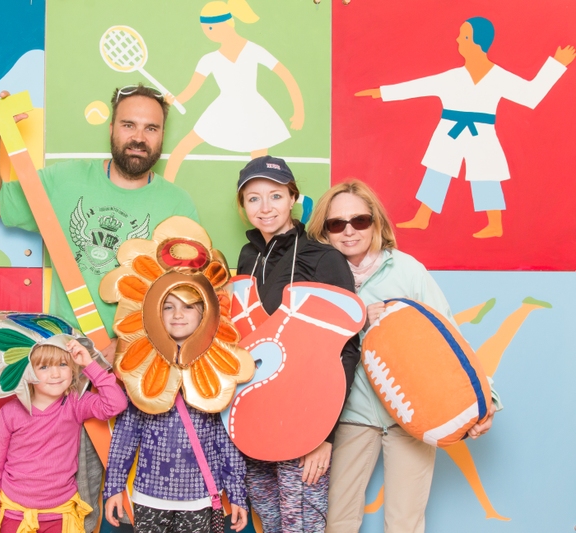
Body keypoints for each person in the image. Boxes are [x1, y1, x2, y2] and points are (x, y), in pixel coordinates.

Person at [0, 84, 199, 531]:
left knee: (145, 499)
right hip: (71, 373)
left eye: (151, 128)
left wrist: (125, 343)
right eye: (129, 124)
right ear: (112, 127)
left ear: (162, 136)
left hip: (144, 369)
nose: (139, 137)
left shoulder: (178, 206)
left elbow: (186, 298)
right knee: (78, 496)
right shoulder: (63, 182)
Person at [306, 180, 500, 533]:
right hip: (350, 415)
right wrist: (359, 318)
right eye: (337, 224)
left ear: (375, 223)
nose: (349, 231)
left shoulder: (407, 270)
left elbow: (450, 339)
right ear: (324, 231)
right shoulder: (320, 279)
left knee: (405, 524)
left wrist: (486, 401)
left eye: (359, 220)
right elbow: (310, 347)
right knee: (337, 522)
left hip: (413, 417)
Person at [357, 17, 575, 238]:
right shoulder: (453, 77)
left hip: (481, 131)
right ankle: (422, 217)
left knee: (485, 173)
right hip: (450, 129)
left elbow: (530, 95)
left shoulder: (498, 77)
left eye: (464, 36)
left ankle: (494, 224)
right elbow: (419, 86)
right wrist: (381, 92)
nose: (458, 40)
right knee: (437, 170)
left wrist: (557, 64)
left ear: (476, 41)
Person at [234, 156, 359, 532]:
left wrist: (324, 434)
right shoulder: (247, 257)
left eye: (275, 195)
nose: (265, 207)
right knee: (270, 519)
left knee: (300, 523)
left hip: (304, 420)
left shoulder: (323, 257)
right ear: (243, 206)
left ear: (293, 198)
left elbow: (346, 351)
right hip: (253, 419)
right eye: (253, 198)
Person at [103, 286, 249, 533]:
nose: (177, 314)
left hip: (201, 495)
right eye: (168, 306)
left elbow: (226, 438)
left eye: (188, 306)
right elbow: (126, 432)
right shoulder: (143, 365)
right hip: (149, 495)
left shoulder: (216, 368)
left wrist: (237, 494)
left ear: (205, 313)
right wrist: (114, 487)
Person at [0, 337, 127, 533]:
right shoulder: (10, 413)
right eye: (44, 367)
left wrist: (90, 364)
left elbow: (116, 404)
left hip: (60, 515)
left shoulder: (76, 404)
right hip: (15, 515)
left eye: (63, 364)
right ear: (28, 371)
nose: (55, 374)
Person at [163, 0, 304, 182]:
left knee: (260, 165)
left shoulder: (253, 50)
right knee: (182, 148)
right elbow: (192, 89)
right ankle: (167, 187)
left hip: (254, 111)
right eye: (205, 29)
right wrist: (173, 100)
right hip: (222, 110)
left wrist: (299, 111)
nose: (208, 33)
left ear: (229, 23)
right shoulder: (209, 59)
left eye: (211, 28)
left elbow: (285, 75)